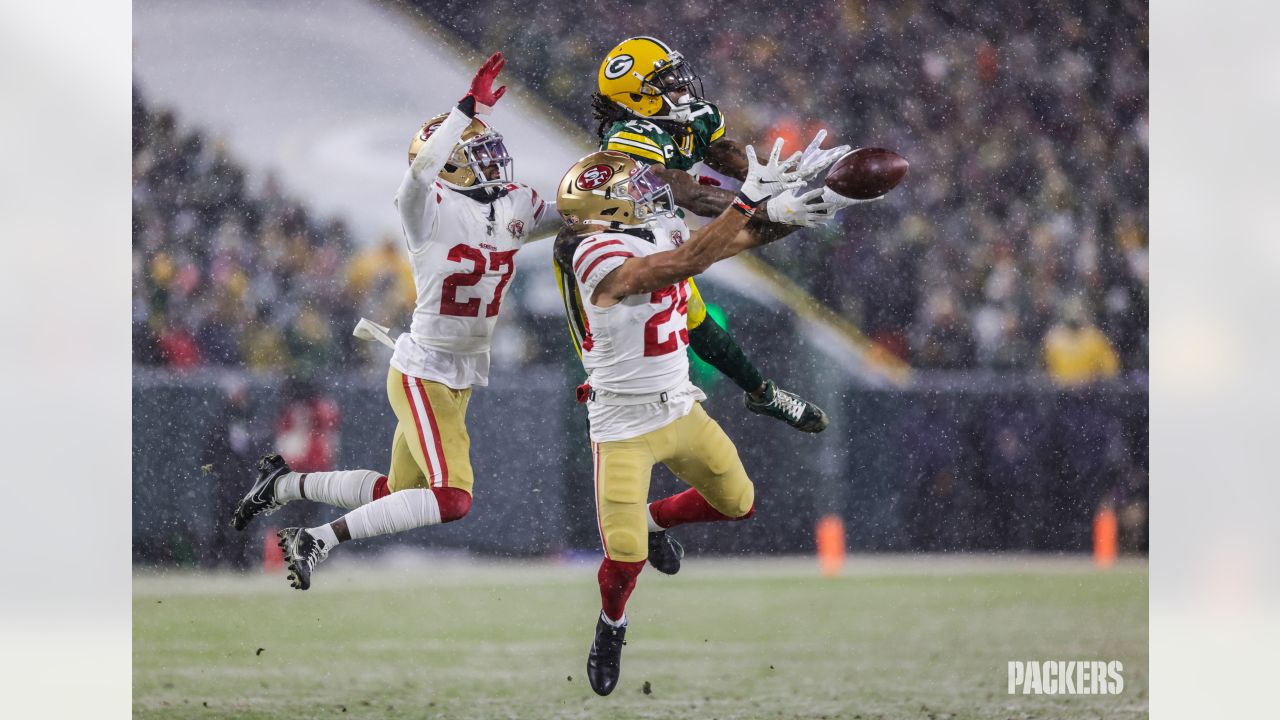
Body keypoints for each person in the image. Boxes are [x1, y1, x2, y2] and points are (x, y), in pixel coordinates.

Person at [229, 52, 563, 590]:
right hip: (425, 372)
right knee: (451, 499)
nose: (493, 161)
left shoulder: (513, 204)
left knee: (395, 494)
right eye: (475, 152)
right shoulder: (426, 207)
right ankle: (315, 539)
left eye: (488, 149)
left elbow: (578, 210)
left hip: (458, 375)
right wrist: (464, 110)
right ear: (447, 160)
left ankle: (283, 486)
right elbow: (418, 172)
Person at [553, 140, 824, 695]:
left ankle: (653, 521)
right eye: (628, 192)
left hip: (679, 404)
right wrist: (747, 198)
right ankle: (612, 626)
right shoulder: (593, 256)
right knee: (623, 563)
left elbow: (738, 239)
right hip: (622, 427)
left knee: (739, 502)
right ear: (603, 212)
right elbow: (688, 261)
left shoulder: (652, 231)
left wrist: (804, 208)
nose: (644, 194)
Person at [557, 36, 865, 433]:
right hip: (606, 233)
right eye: (665, 81)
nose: (680, 84)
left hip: (655, 224)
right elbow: (689, 195)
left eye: (674, 74)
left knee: (695, 315)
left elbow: (724, 153)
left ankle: (763, 394)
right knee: (607, 340)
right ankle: (602, 393)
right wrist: (763, 202)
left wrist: (776, 178)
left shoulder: (695, 114)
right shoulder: (629, 136)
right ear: (638, 96)